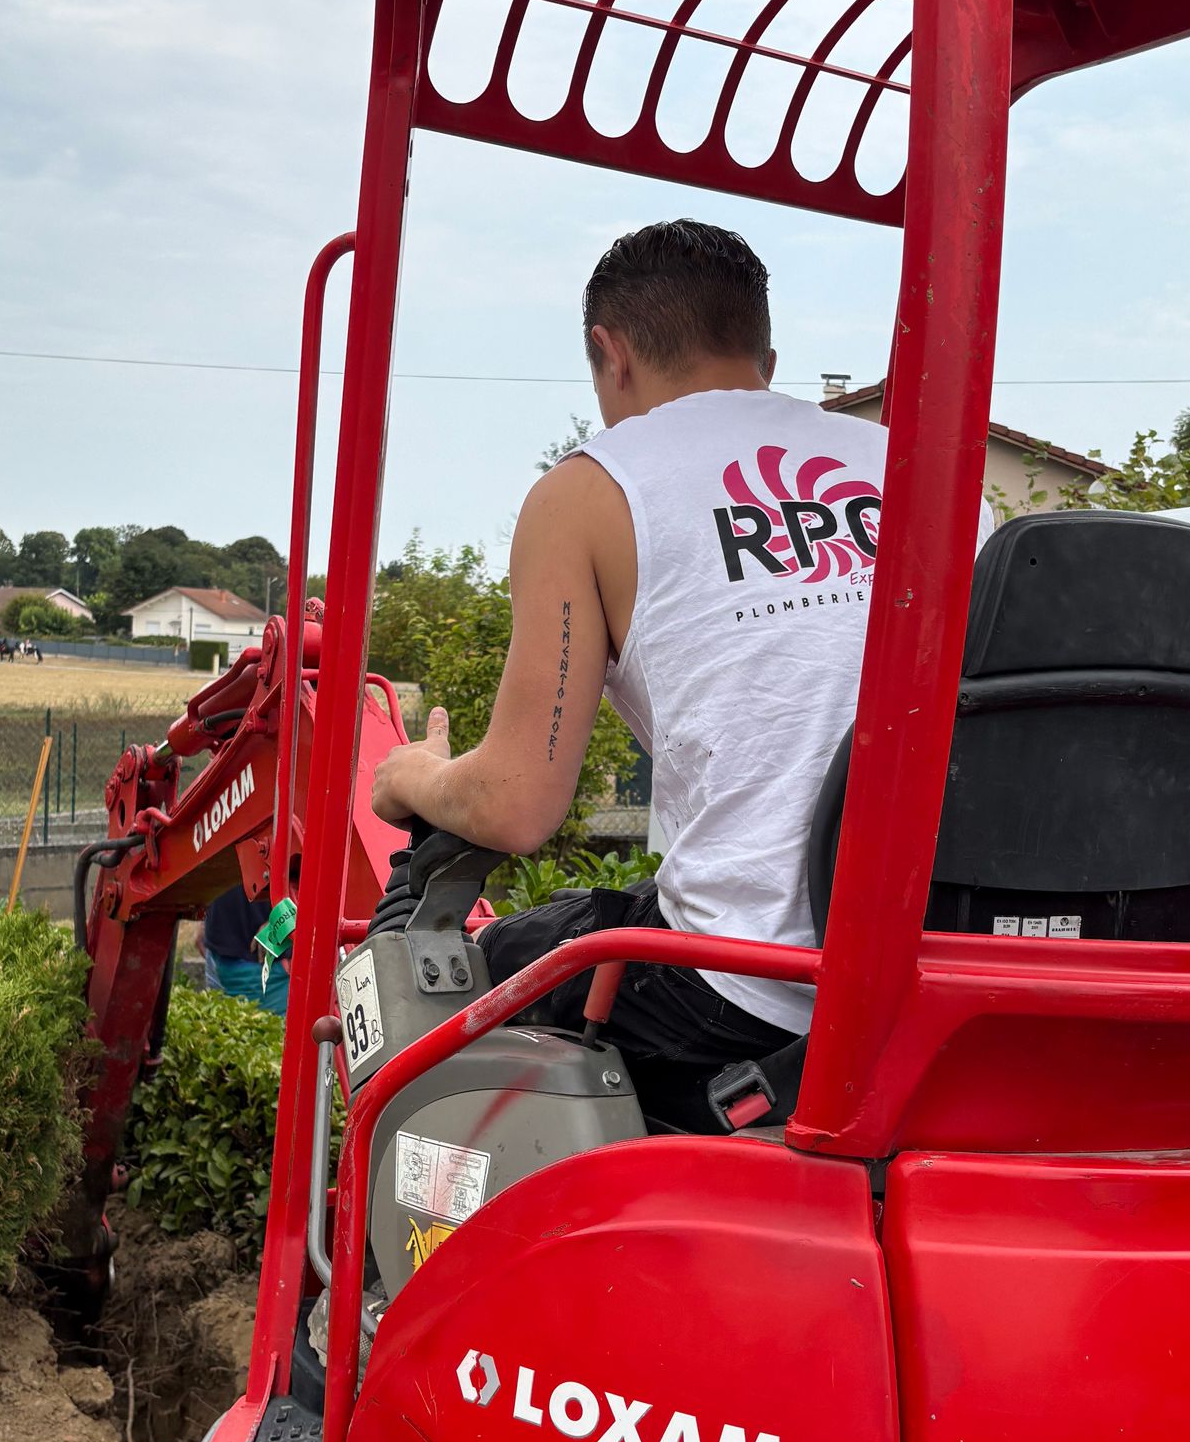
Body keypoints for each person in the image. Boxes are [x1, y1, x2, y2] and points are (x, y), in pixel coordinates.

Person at [370, 217, 991, 1124]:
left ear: (607, 352)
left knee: (466, 979)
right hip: (948, 975)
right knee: (599, 917)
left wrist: (413, 775)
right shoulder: (927, 474)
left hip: (747, 995)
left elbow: (513, 806)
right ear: (766, 356)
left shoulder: (586, 493)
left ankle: (439, 1261)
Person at [201, 876, 291, 1017]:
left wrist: (286, 917)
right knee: (220, 1030)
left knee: (268, 1033)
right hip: (217, 953)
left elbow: (319, 874)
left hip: (267, 966)